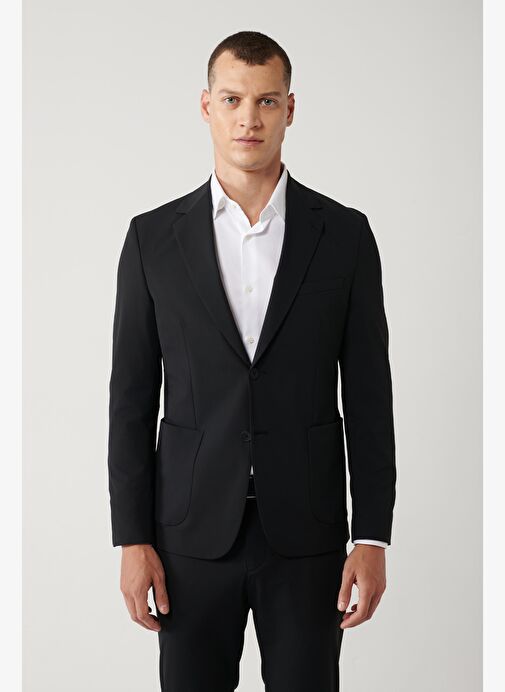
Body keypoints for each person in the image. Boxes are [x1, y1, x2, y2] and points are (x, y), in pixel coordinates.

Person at [107, 30, 396, 692]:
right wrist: (131, 538)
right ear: (205, 106)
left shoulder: (344, 235)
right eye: (233, 99)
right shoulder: (152, 239)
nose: (249, 119)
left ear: (289, 109)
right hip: (187, 537)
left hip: (307, 536)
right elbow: (130, 399)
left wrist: (372, 536)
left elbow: (369, 396)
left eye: (266, 101)